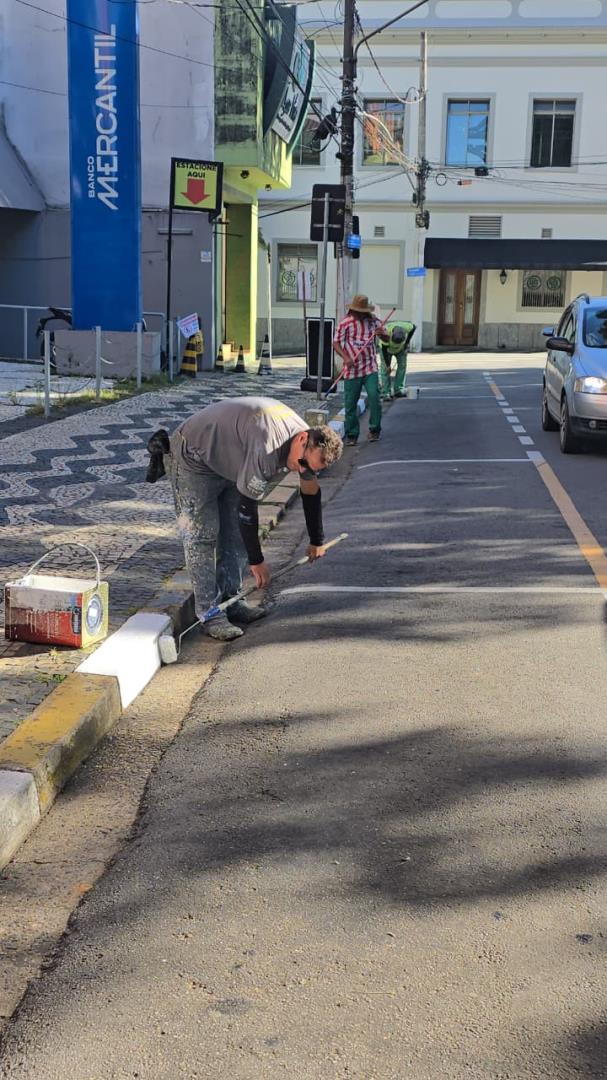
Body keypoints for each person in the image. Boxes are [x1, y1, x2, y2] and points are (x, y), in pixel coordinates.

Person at [146, 397, 343, 641]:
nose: (302, 471)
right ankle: (210, 614)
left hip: (228, 459)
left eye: (311, 469)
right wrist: (257, 561)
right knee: (202, 536)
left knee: (234, 535)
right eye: (303, 464)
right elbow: (247, 509)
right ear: (303, 439)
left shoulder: (308, 444)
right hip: (192, 457)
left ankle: (232, 601)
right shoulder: (267, 447)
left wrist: (316, 539)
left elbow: (310, 491)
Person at [333, 294, 384, 446]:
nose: (361, 314)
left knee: (375, 397)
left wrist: (383, 335)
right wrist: (346, 358)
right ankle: (352, 434)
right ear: (354, 311)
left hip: (370, 367)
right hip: (352, 369)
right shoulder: (345, 323)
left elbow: (386, 337)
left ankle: (375, 430)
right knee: (350, 403)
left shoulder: (374, 322)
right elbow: (336, 343)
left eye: (363, 311)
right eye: (359, 311)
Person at [378, 320, 416, 400]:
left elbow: (414, 327)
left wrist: (407, 342)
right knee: (385, 370)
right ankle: (385, 393)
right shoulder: (385, 335)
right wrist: (388, 365)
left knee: (402, 367)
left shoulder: (407, 327)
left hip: (401, 349)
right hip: (387, 350)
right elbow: (384, 350)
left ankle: (398, 390)